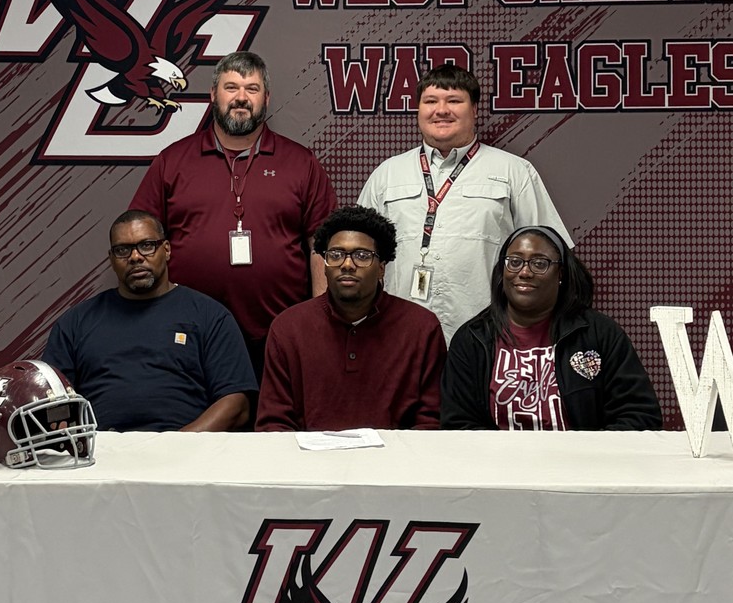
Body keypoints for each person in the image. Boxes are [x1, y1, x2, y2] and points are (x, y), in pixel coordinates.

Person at [130, 50, 336, 378]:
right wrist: (150, 316)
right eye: (231, 88)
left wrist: (320, 320)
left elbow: (323, 245)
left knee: (273, 427)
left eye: (252, 89)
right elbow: (138, 240)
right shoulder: (173, 161)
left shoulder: (300, 163)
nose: (241, 98)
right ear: (213, 95)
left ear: (266, 99)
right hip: (188, 334)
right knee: (197, 425)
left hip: (278, 334)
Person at [358, 64, 571, 344]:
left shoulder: (514, 172)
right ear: (418, 110)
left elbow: (553, 255)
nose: (441, 110)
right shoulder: (387, 174)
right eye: (431, 101)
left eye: (454, 101)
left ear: (474, 110)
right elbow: (359, 254)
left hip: (488, 337)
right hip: (399, 338)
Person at [43, 211, 256, 432]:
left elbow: (236, 405)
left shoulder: (209, 316)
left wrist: (176, 446)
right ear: (112, 259)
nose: (135, 257)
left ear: (166, 250)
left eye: (146, 245)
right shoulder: (76, 323)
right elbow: (52, 402)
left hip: (187, 452)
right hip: (101, 454)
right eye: (123, 250)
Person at [441, 226, 662, 431]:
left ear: (561, 275)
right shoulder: (472, 339)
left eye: (539, 263)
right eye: (515, 261)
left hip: (582, 468)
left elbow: (640, 416)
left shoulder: (599, 334)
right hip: (499, 469)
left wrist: (586, 457)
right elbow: (458, 425)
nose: (525, 272)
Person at [256, 206, 446, 432]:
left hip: (395, 463)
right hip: (309, 463)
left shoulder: (422, 329)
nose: (347, 264)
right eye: (335, 255)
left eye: (362, 256)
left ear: (382, 269)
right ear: (325, 267)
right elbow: (273, 424)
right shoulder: (288, 328)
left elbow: (431, 422)